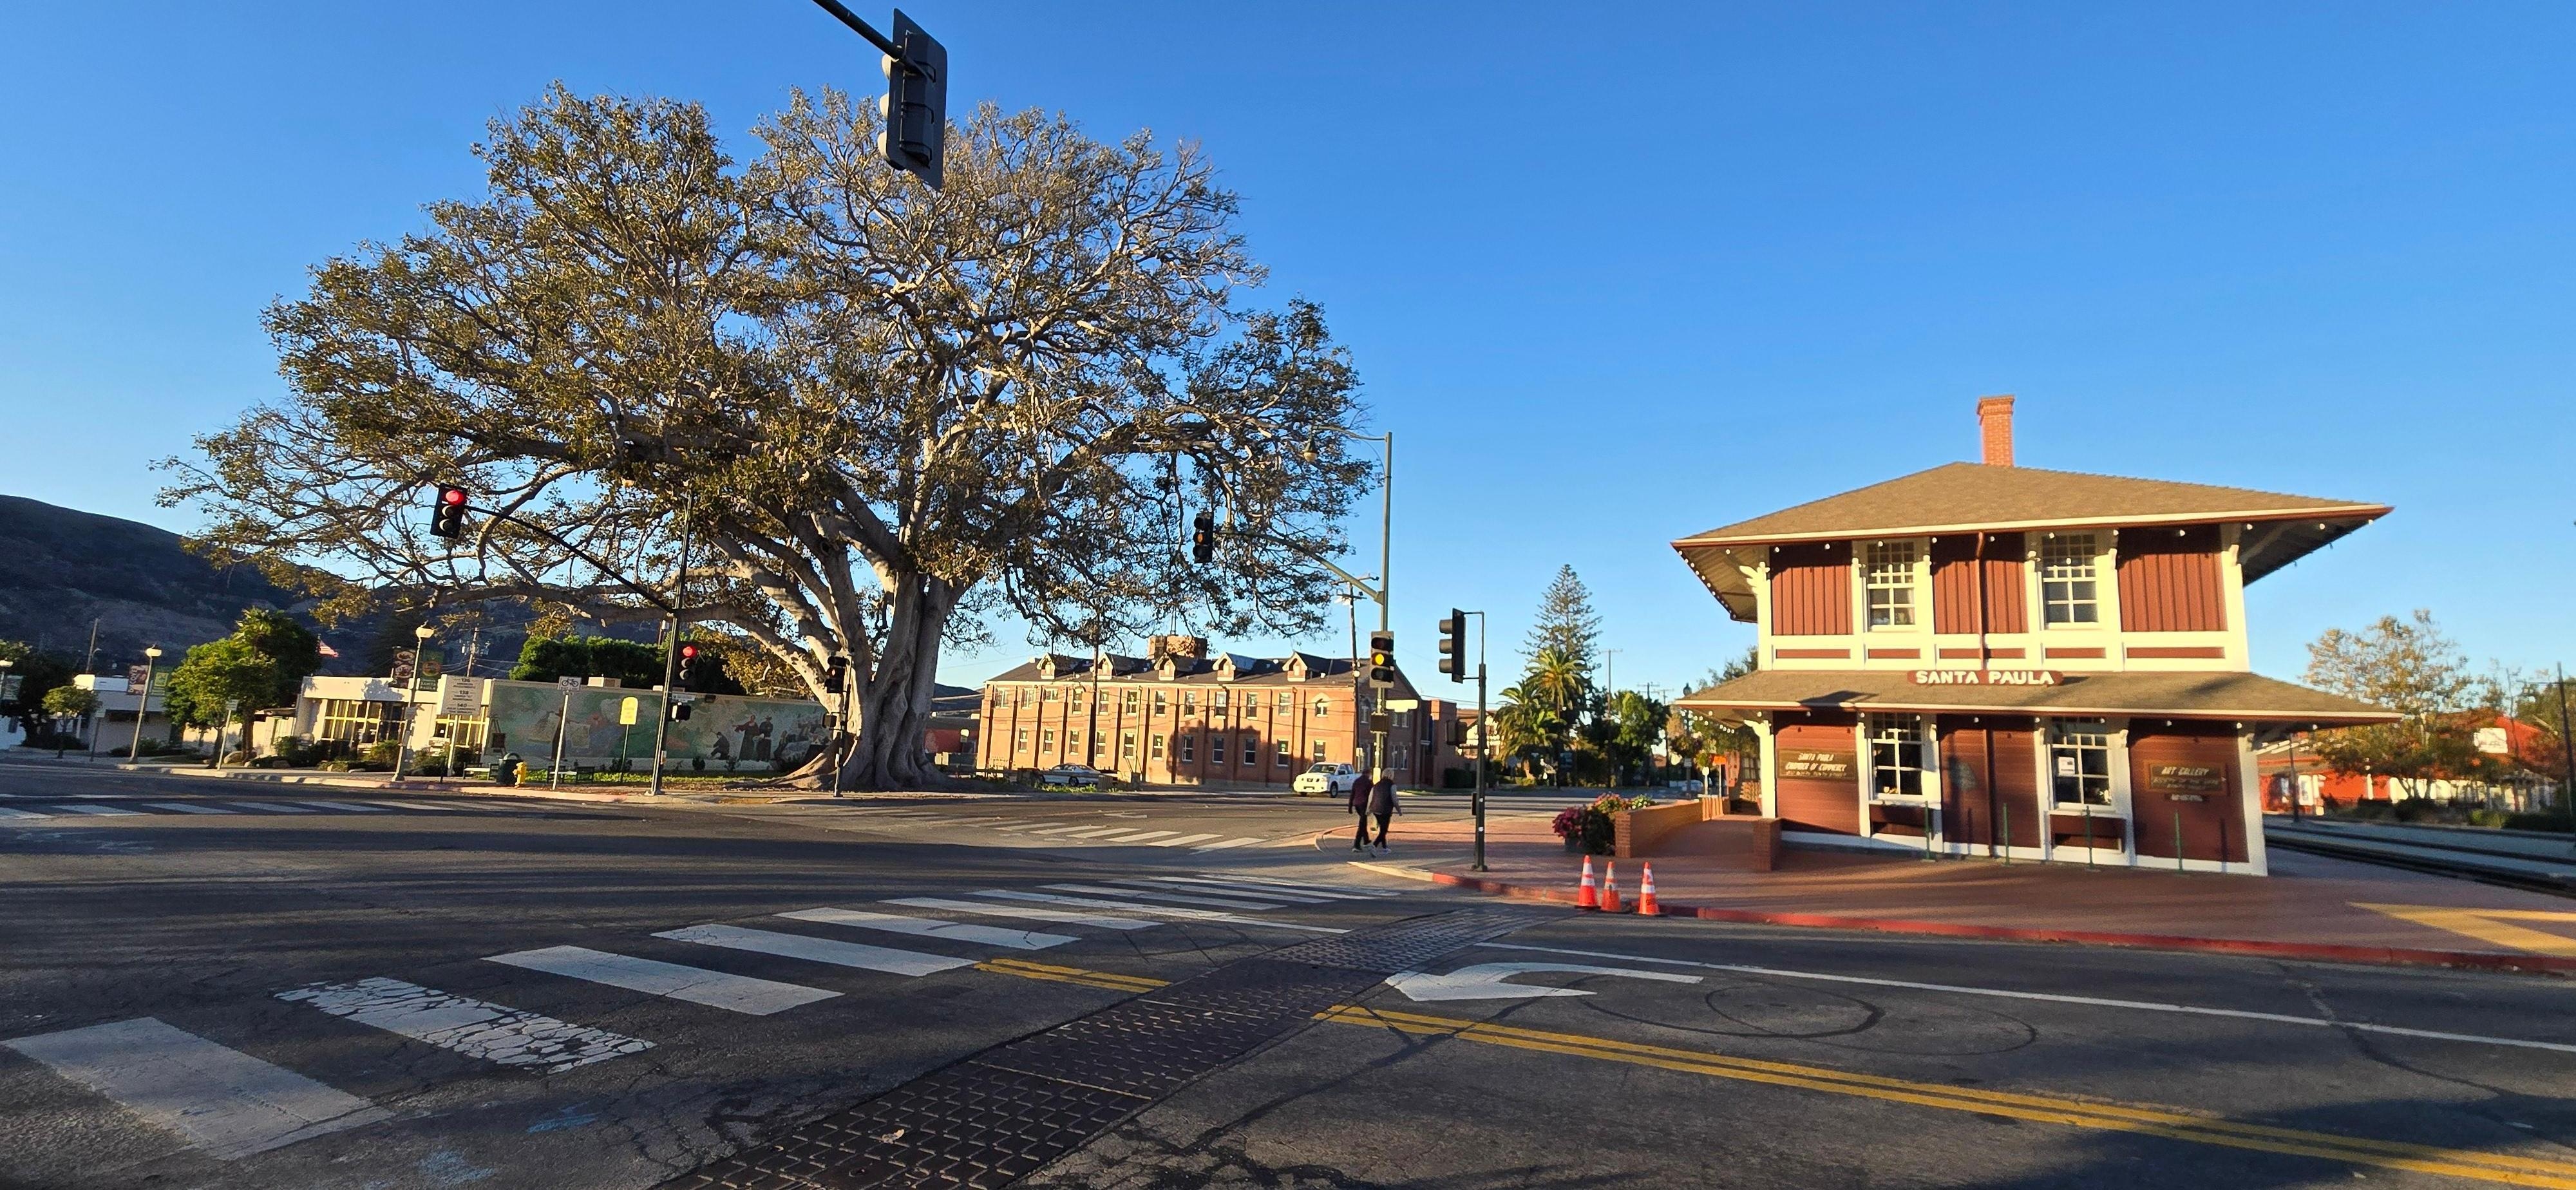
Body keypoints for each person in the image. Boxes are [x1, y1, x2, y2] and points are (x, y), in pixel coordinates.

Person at [1368, 771, 1399, 851]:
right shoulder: (1392, 785)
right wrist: (1399, 810)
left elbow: (1371, 797)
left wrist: (1368, 809)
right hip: (1386, 810)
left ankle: (1384, 847)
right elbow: (1394, 799)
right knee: (1384, 830)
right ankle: (1374, 845)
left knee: (1383, 829)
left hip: (1375, 809)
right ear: (1391, 775)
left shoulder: (1376, 785)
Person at [1347, 770, 1374, 852]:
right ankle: (1357, 844)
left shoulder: (1357, 781)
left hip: (1357, 804)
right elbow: (1372, 795)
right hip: (1364, 804)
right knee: (1362, 824)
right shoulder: (1369, 782)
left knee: (1363, 822)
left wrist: (1350, 806)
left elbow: (1352, 794)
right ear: (1369, 774)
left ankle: (1366, 840)